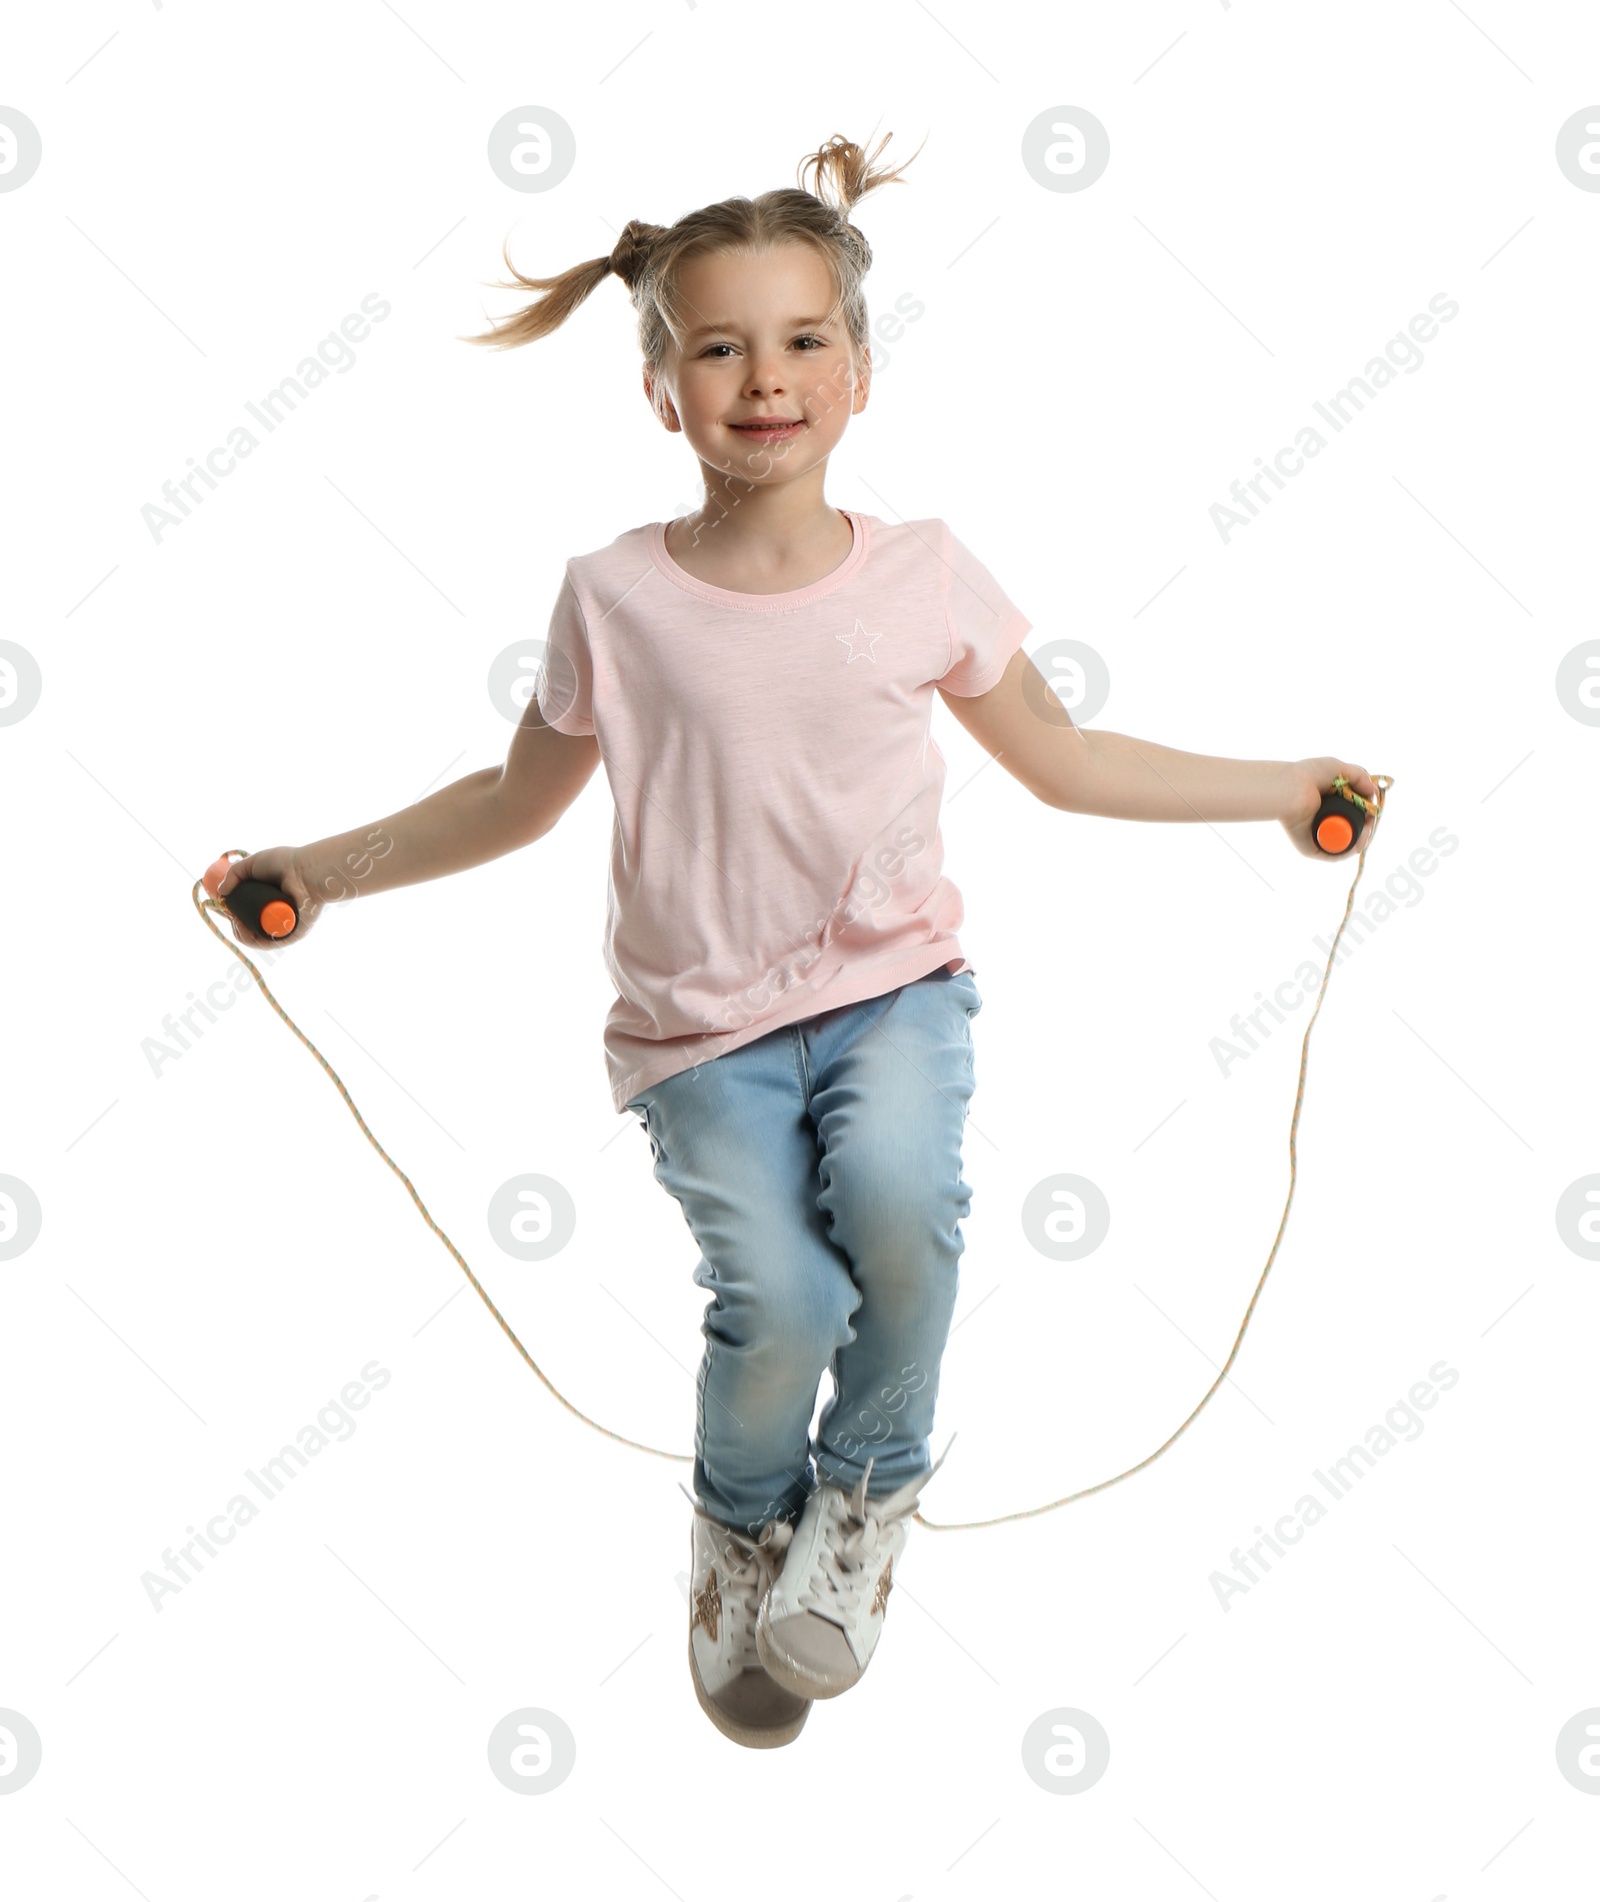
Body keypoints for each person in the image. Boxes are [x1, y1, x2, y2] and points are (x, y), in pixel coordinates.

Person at [216, 131, 1379, 1752]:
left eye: (802, 339)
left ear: (860, 370)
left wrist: (1285, 787)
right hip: (700, 1031)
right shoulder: (615, 598)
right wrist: (318, 870)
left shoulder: (922, 575)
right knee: (779, 1297)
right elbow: (510, 798)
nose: (765, 378)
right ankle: (739, 1524)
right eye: (719, 345)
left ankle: (865, 1502)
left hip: (895, 993)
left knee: (902, 1221)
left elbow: (1072, 761)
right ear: (661, 386)